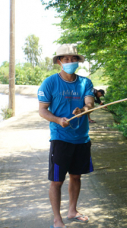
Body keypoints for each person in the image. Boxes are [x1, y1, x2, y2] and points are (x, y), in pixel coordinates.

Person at [38, 44, 94, 228]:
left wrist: (83, 110)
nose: (70, 62)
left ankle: (72, 211)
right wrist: (57, 120)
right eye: (66, 59)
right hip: (60, 139)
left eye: (73, 58)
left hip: (81, 139)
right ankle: (57, 219)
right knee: (56, 181)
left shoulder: (85, 83)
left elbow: (90, 105)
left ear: (77, 61)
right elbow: (43, 111)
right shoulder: (50, 83)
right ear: (59, 61)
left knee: (76, 177)